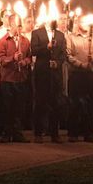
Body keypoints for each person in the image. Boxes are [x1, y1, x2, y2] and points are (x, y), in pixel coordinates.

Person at [30, 14, 68, 143]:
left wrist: (57, 62)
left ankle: (54, 133)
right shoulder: (37, 33)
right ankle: (38, 132)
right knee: (41, 102)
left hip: (55, 74)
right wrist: (47, 48)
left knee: (55, 103)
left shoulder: (60, 35)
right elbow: (33, 50)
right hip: (42, 73)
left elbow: (63, 53)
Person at [66, 16, 93, 141]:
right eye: (82, 22)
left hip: (91, 75)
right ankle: (73, 133)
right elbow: (68, 55)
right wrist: (81, 64)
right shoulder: (71, 37)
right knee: (75, 103)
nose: (85, 24)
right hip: (77, 74)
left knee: (91, 103)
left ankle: (89, 132)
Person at [0, 18, 32, 142]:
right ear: (11, 24)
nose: (20, 28)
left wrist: (24, 62)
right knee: (7, 107)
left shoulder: (25, 41)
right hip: (8, 79)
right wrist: (13, 58)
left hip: (21, 79)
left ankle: (17, 132)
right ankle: (7, 132)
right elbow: (1, 59)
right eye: (18, 25)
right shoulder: (3, 41)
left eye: (21, 25)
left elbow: (29, 57)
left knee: (19, 107)